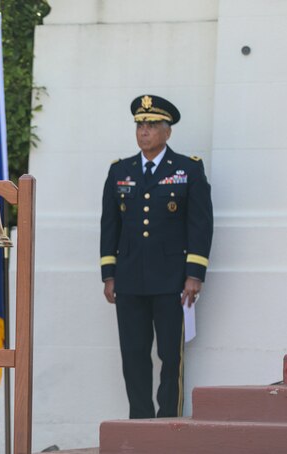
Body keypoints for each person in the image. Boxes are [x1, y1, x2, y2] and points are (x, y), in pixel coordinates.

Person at [100, 95, 213, 419]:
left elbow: (201, 224)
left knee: (170, 356)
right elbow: (110, 225)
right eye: (140, 125)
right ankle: (140, 421)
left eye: (151, 125)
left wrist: (194, 274)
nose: (144, 131)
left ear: (167, 131)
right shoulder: (120, 170)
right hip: (129, 280)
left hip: (171, 280)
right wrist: (109, 274)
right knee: (133, 354)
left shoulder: (188, 169)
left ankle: (168, 423)